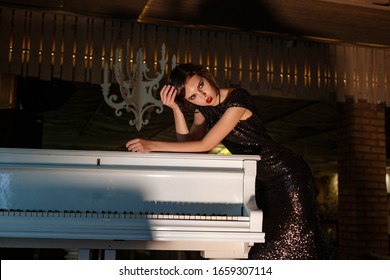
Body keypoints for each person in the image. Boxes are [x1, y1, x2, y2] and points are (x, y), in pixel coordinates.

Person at [126, 63, 327, 259]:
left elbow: (205, 144)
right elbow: (192, 148)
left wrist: (153, 145)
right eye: (193, 96)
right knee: (270, 247)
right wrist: (176, 109)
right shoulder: (202, 109)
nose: (203, 96)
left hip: (287, 175)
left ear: (206, 75)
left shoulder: (237, 99)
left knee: (285, 247)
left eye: (201, 85)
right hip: (262, 182)